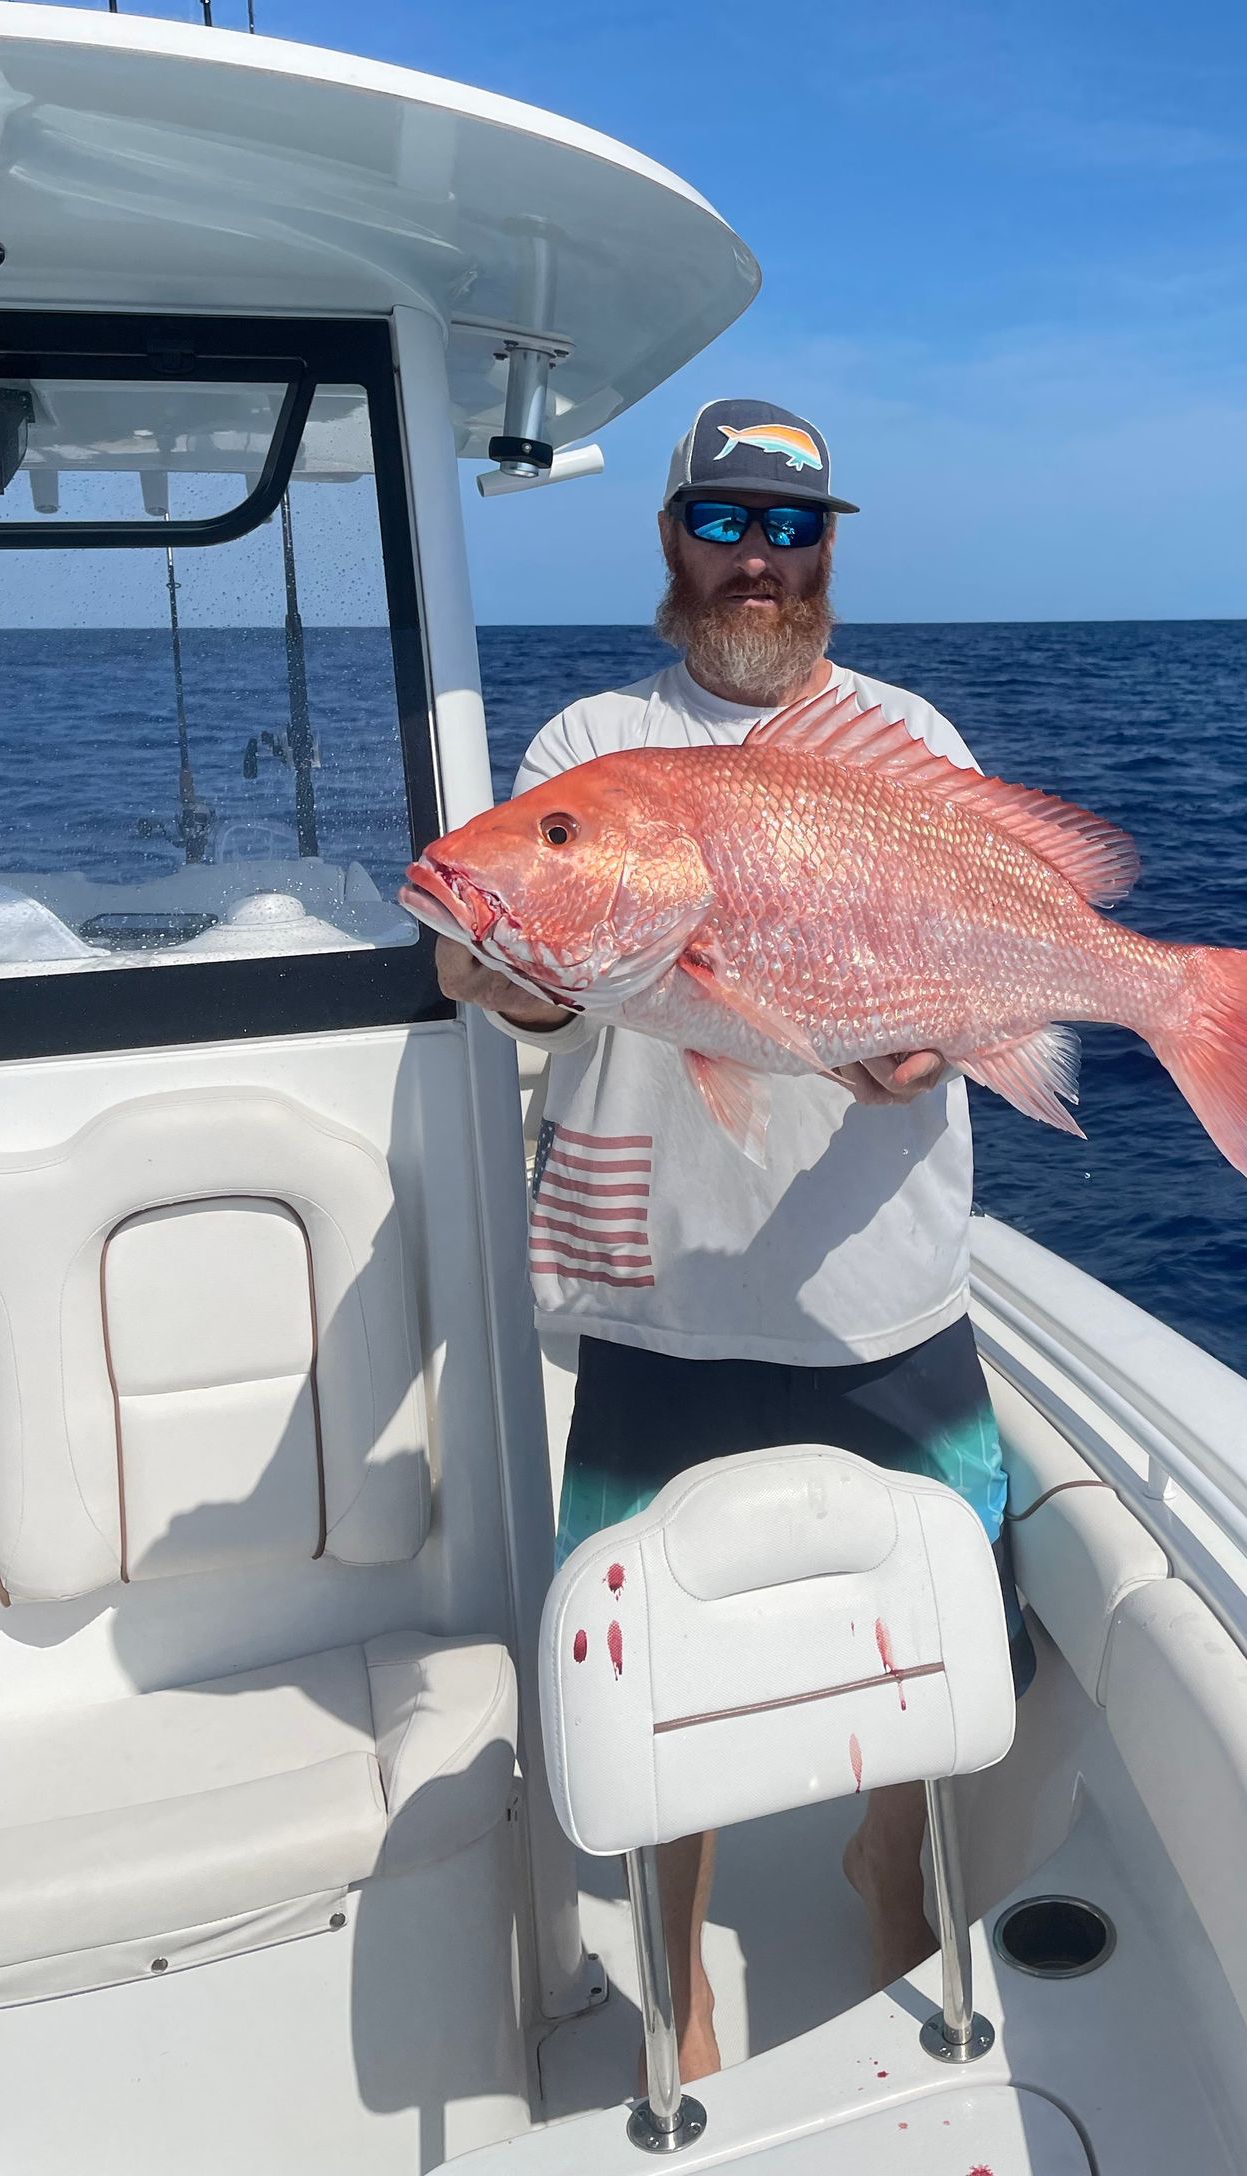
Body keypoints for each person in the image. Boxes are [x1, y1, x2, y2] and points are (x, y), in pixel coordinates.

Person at [436, 398, 1026, 2082]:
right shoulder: (593, 747)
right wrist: (508, 969)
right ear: (671, 537)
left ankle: (887, 1859)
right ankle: (677, 1967)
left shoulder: (907, 735)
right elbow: (484, 958)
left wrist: (946, 1030)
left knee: (929, 1630)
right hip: (660, 1303)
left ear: (831, 548)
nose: (758, 566)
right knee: (654, 1670)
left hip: (883, 1295)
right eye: (724, 526)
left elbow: (970, 978)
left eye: (794, 531)